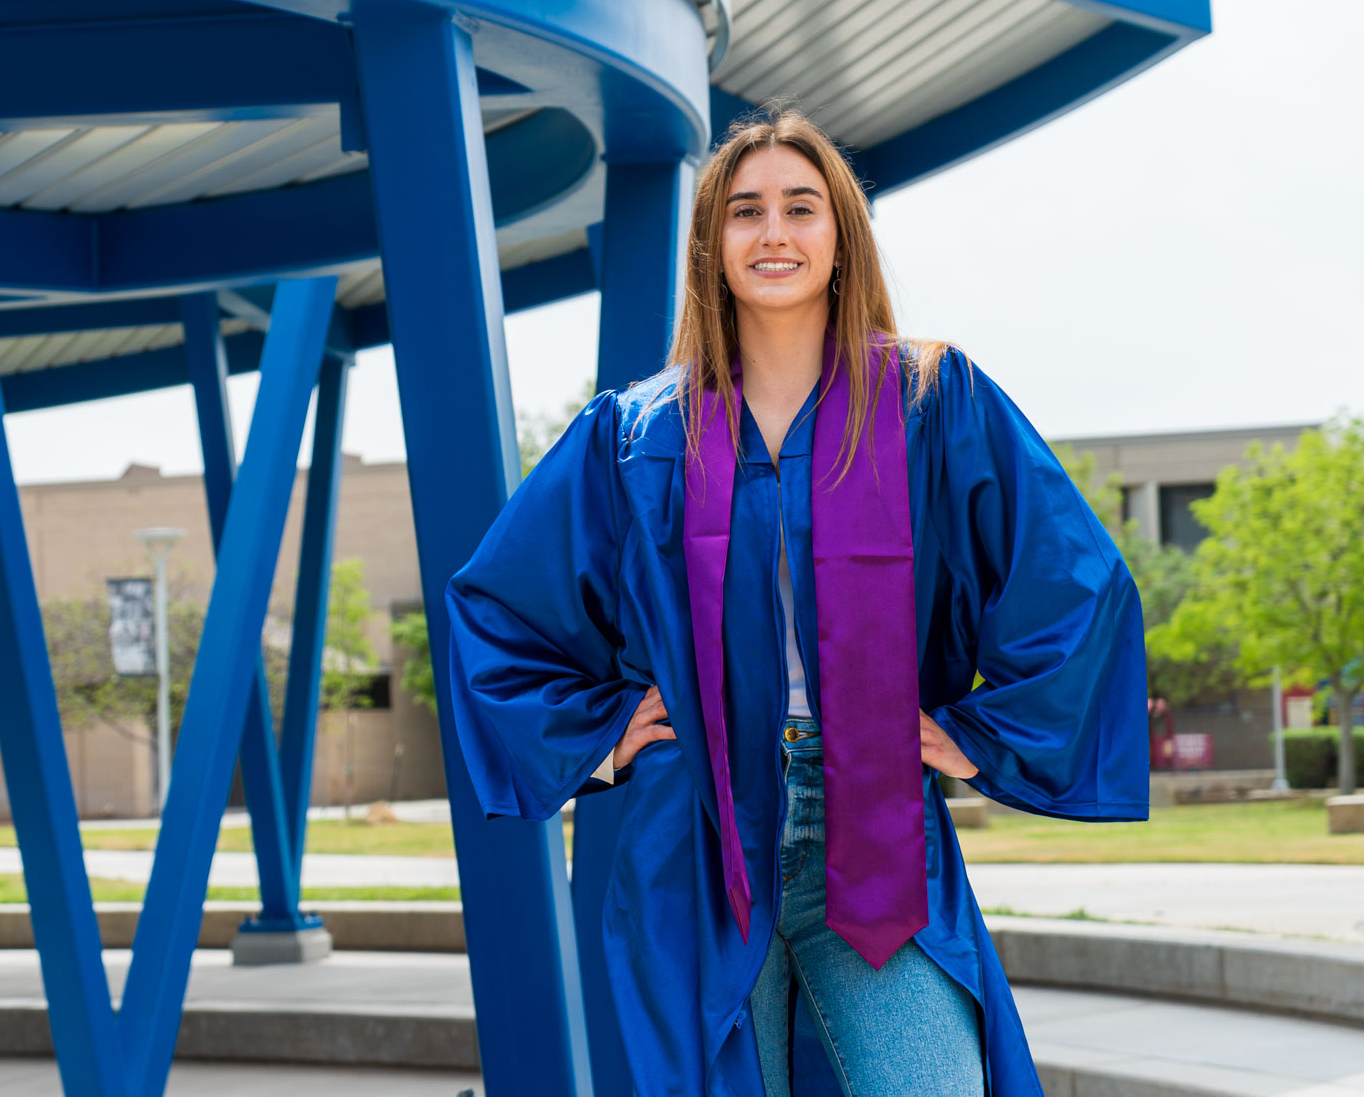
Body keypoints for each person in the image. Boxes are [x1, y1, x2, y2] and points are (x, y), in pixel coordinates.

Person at [443, 106, 1149, 1097]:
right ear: (711, 243)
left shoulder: (931, 401)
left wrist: (975, 736)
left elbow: (1078, 582)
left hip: (869, 817)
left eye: (800, 207)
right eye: (745, 211)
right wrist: (602, 736)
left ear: (840, 234)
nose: (773, 232)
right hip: (696, 828)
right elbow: (496, 607)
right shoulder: (636, 433)